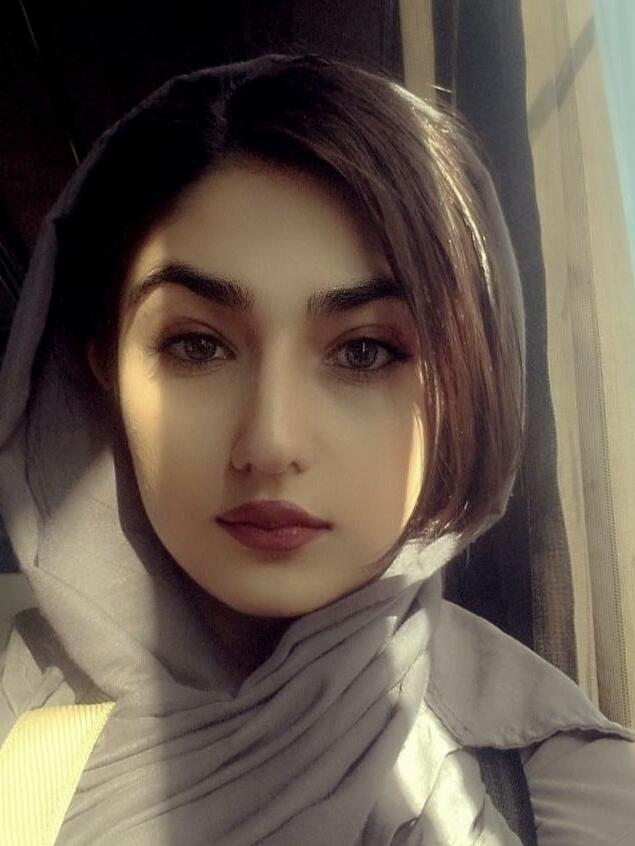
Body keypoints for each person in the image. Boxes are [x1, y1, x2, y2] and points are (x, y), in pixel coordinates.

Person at [0, 52, 633, 846]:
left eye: (364, 351)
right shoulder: (20, 742)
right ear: (101, 370)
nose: (270, 444)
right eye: (196, 344)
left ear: (469, 385)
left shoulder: (569, 800)